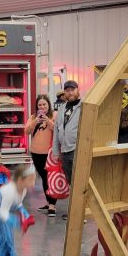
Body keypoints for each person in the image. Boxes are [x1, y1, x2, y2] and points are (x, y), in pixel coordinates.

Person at [52, 80, 81, 220]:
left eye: (72, 89)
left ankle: (79, 214)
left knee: (79, 183)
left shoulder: (83, 107)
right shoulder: (62, 108)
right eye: (67, 90)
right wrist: (56, 152)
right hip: (65, 151)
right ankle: (75, 212)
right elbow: (57, 132)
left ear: (77, 90)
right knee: (71, 183)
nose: (70, 92)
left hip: (78, 150)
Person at [25, 94, 57, 217]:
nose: (42, 107)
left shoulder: (54, 115)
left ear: (49, 105)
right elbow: (26, 131)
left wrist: (48, 122)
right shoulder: (33, 117)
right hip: (36, 152)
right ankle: (49, 202)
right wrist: (35, 122)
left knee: (50, 178)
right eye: (40, 105)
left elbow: (58, 130)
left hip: (50, 153)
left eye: (44, 104)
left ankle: (53, 205)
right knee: (44, 178)